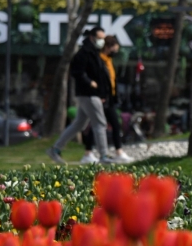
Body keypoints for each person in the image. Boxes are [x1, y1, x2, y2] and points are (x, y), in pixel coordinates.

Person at [47, 27, 113, 164]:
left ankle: (55, 149)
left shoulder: (94, 53)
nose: (102, 41)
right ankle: (104, 156)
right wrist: (90, 83)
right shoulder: (84, 54)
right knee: (100, 123)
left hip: (90, 94)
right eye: (100, 38)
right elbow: (77, 72)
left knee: (79, 124)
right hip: (88, 94)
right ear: (92, 37)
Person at [80, 36, 134, 164]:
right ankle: (117, 152)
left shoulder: (107, 60)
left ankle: (89, 153)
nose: (116, 51)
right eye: (115, 48)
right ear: (108, 47)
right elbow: (98, 80)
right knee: (112, 124)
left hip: (109, 98)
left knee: (99, 125)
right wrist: (100, 94)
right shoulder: (99, 60)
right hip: (103, 98)